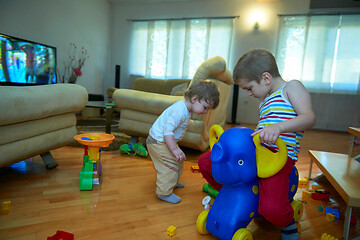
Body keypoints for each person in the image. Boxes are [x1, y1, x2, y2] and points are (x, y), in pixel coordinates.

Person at [198, 49, 315, 240]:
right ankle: (235, 195)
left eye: (249, 88)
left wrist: (278, 128)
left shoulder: (291, 88)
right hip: (255, 154)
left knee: (272, 209)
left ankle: (288, 223)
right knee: (206, 162)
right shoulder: (265, 100)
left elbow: (309, 118)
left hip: (278, 159)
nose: (249, 94)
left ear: (266, 78)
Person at [147, 80, 220, 204]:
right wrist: (175, 149)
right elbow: (167, 132)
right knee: (169, 166)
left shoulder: (185, 109)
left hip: (162, 141)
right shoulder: (179, 111)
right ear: (195, 99)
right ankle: (164, 192)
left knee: (178, 161)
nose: (205, 112)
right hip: (157, 142)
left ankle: (172, 182)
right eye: (205, 107)